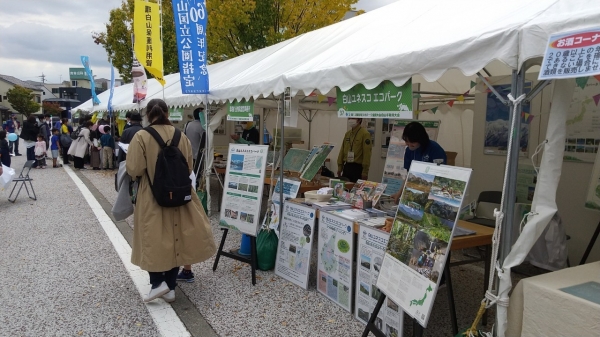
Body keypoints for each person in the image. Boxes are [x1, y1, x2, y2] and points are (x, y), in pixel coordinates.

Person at [126, 98, 216, 303]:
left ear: (148, 115)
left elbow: (134, 169)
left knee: (153, 237)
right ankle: (171, 286)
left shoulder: (141, 136)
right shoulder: (180, 136)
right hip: (178, 192)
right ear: (167, 113)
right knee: (176, 235)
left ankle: (158, 283)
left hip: (151, 194)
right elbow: (189, 167)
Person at [392, 122, 447, 204]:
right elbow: (409, 175)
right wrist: (400, 193)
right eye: (407, 142)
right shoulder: (409, 151)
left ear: (420, 139)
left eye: (412, 143)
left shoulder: (435, 149)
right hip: (416, 188)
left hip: (434, 188)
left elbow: (441, 175)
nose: (409, 145)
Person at [336, 118, 372, 183]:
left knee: (355, 191)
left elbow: (367, 154)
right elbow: (342, 150)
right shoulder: (348, 134)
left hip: (357, 168)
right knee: (345, 190)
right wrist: (340, 167)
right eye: (349, 118)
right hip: (347, 167)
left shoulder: (365, 134)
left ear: (359, 120)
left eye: (353, 118)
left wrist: (365, 172)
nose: (350, 119)